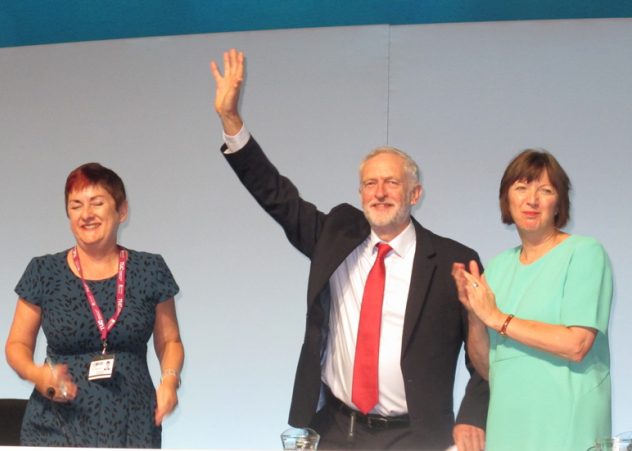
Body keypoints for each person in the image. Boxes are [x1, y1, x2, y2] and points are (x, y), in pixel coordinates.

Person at [211, 49, 488, 450]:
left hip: (418, 436)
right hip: (339, 430)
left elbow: (484, 356)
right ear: (359, 193)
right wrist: (231, 121)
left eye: (391, 183)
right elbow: (276, 194)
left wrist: (472, 416)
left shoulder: (454, 262)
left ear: (415, 193)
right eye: (370, 184)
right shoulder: (335, 238)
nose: (379, 193)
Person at [5, 162, 184, 448]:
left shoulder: (151, 269)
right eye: (76, 206)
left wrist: (170, 381)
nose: (86, 214)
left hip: (132, 419)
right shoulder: (43, 271)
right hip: (57, 419)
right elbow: (16, 346)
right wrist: (37, 373)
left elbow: (171, 341)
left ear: (121, 211)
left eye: (97, 203)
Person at [452, 149, 613, 450]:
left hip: (567, 430)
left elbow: (576, 345)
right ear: (507, 199)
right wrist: (475, 313)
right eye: (521, 187)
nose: (532, 199)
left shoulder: (585, 253)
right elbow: (490, 369)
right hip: (507, 429)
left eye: (545, 190)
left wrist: (499, 319)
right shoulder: (498, 267)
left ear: (558, 204)